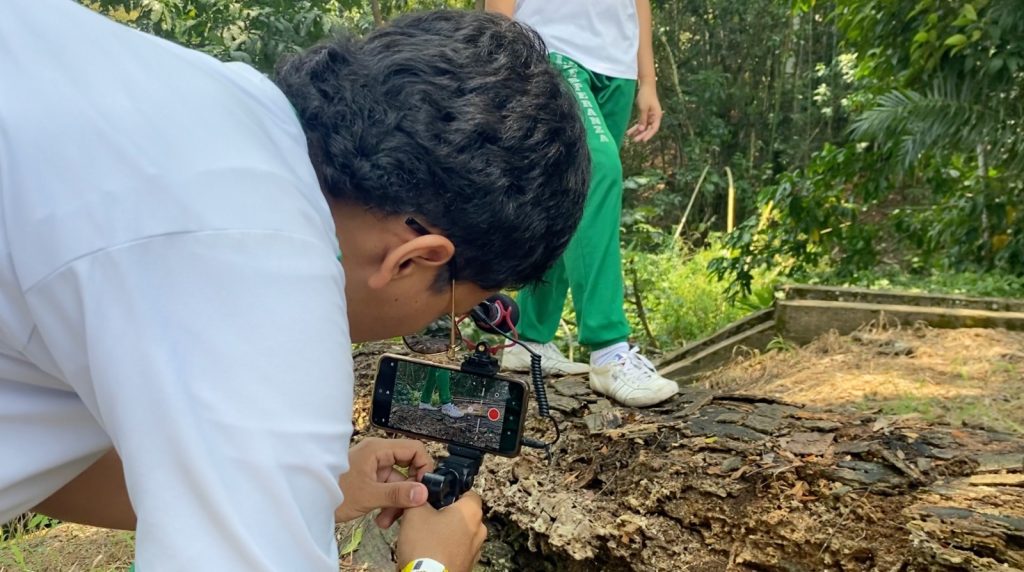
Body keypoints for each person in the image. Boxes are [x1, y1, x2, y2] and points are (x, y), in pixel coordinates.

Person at [0, 2, 589, 571]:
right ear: (414, 259)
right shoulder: (267, 275)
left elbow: (34, 463)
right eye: (458, 312)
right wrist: (431, 565)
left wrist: (306, 493)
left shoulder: (207, 109)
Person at [486, 0, 680, 408]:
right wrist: (495, 64)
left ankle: (530, 337)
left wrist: (648, 79)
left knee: (566, 193)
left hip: (618, 65)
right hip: (550, 50)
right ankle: (609, 350)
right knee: (598, 169)